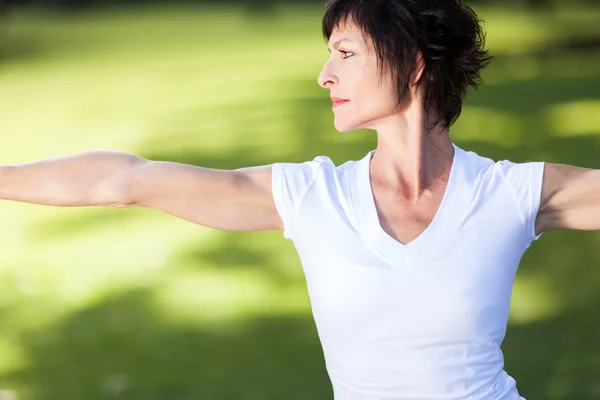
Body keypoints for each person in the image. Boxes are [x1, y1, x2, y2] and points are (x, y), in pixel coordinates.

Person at [0, 0, 598, 399]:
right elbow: (124, 180)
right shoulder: (314, 197)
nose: (324, 75)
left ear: (413, 64)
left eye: (345, 53)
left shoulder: (507, 194)